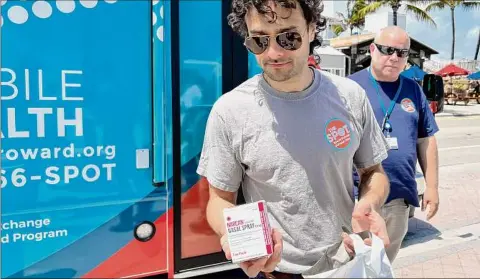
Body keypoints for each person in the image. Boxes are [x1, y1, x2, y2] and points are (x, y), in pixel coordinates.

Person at [197, 1, 391, 278]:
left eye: (289, 37)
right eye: (259, 41)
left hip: (348, 260)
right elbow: (219, 199)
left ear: (312, 29)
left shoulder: (351, 96)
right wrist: (233, 234)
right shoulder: (230, 111)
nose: (274, 52)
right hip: (277, 271)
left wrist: (369, 203)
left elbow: (374, 172)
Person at [348, 26, 440, 263]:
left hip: (400, 198)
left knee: (384, 266)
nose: (394, 57)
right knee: (355, 267)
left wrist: (432, 187)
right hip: (359, 199)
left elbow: (426, 139)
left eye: (402, 53)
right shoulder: (349, 88)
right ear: (372, 49)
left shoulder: (414, 90)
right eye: (387, 50)